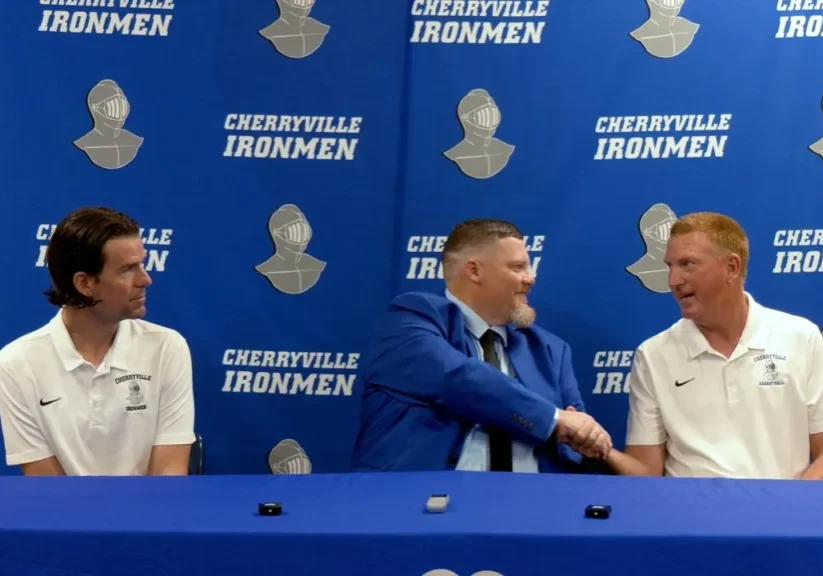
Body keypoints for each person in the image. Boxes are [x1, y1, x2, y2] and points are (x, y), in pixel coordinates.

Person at [351, 219, 611, 472]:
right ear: (474, 270)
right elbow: (457, 379)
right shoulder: (410, 318)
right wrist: (552, 419)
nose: (530, 278)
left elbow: (578, 436)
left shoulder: (550, 349)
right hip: (423, 503)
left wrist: (585, 437)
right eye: (518, 267)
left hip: (534, 503)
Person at [603, 212, 823, 479]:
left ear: (732, 267)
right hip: (688, 517)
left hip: (779, 514)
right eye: (670, 266)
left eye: (687, 264)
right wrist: (601, 449)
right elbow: (646, 471)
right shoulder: (653, 355)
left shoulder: (802, 337)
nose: (673, 281)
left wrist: (789, 506)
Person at [0, 207, 195, 476]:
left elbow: (169, 474)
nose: (145, 279)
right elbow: (45, 486)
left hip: (149, 516)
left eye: (142, 264)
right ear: (85, 283)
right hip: (63, 517)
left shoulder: (167, 347)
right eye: (128, 269)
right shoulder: (15, 364)